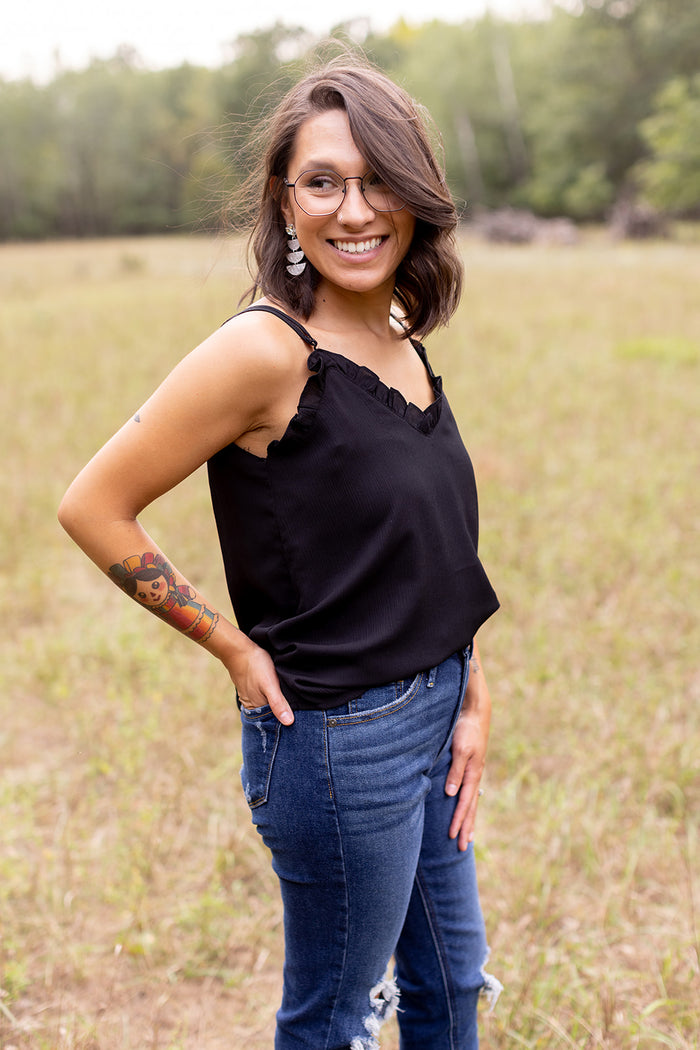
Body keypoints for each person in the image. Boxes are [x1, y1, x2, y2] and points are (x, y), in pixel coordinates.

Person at [59, 55, 502, 1050]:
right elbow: (94, 505)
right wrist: (228, 644)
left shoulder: (392, 332)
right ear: (282, 199)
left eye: (379, 177)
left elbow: (427, 541)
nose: (355, 210)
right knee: (334, 1020)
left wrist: (470, 680)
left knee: (449, 985)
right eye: (323, 182)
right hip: (340, 740)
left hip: (435, 714)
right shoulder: (263, 350)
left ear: (417, 194)